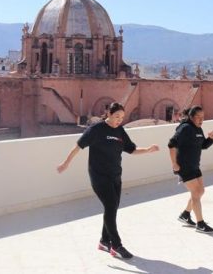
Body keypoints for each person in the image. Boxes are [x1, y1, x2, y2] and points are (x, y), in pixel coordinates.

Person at [56, 103, 160, 259]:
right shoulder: (96, 130)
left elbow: (131, 149)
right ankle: (116, 245)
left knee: (112, 208)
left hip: (116, 175)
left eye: (122, 117)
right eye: (117, 116)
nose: (119, 120)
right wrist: (66, 163)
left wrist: (148, 150)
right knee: (111, 205)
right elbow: (78, 146)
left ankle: (104, 241)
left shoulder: (120, 131)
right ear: (109, 114)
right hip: (99, 176)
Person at [169, 106, 213, 233]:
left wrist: (210, 139)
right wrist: (174, 164)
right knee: (196, 192)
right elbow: (171, 144)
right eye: (198, 117)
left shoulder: (198, 129)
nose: (201, 120)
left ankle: (185, 214)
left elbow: (202, 146)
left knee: (200, 191)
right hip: (184, 166)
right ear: (191, 117)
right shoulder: (185, 128)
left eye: (203, 117)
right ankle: (200, 223)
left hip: (195, 165)